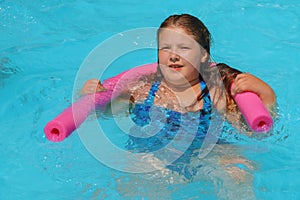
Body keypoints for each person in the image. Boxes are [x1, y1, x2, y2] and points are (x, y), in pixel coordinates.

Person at [81, 14, 276, 198]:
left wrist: (267, 95)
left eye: (184, 48)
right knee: (136, 174)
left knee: (239, 170)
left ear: (203, 55)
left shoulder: (217, 91)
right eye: (166, 48)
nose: (173, 55)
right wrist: (95, 97)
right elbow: (104, 114)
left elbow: (254, 132)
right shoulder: (142, 89)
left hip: (205, 153)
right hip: (153, 155)